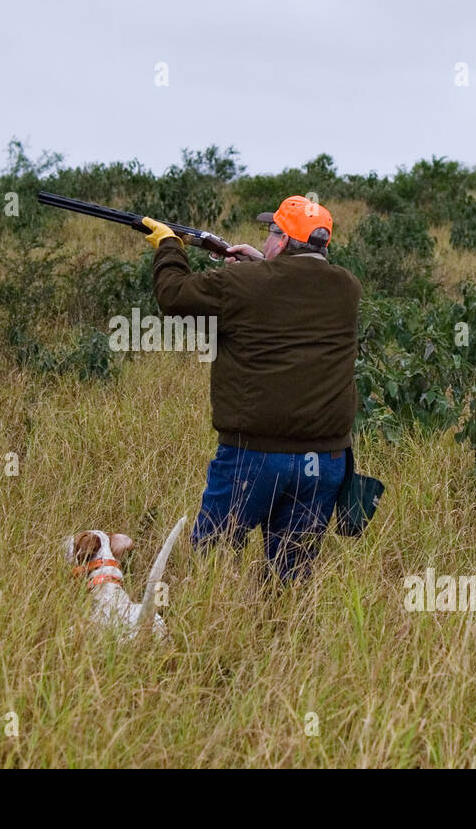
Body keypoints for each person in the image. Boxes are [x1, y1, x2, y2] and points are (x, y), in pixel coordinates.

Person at [142, 195, 362, 581]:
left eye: (270, 233)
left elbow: (173, 295)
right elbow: (294, 285)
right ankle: (283, 638)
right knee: (290, 580)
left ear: (280, 241)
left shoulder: (242, 283)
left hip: (255, 457)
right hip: (327, 462)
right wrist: (261, 266)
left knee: (209, 569)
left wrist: (168, 245)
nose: (265, 240)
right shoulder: (347, 287)